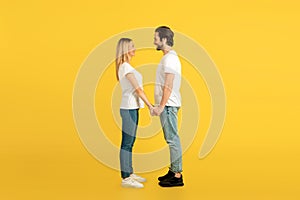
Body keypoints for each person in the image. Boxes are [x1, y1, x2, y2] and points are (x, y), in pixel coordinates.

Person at [116, 38, 154, 188]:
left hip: (133, 108)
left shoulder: (127, 66)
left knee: (130, 142)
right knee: (126, 143)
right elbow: (138, 90)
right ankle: (125, 178)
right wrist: (151, 106)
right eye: (132, 46)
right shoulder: (125, 67)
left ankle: (130, 173)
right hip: (128, 108)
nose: (135, 48)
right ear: (125, 49)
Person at [152, 26, 184, 187]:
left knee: (172, 139)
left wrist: (161, 106)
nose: (154, 41)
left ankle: (177, 175)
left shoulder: (170, 58)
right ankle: (173, 170)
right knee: (170, 138)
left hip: (169, 105)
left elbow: (169, 85)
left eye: (156, 38)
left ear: (164, 40)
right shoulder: (168, 58)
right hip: (167, 105)